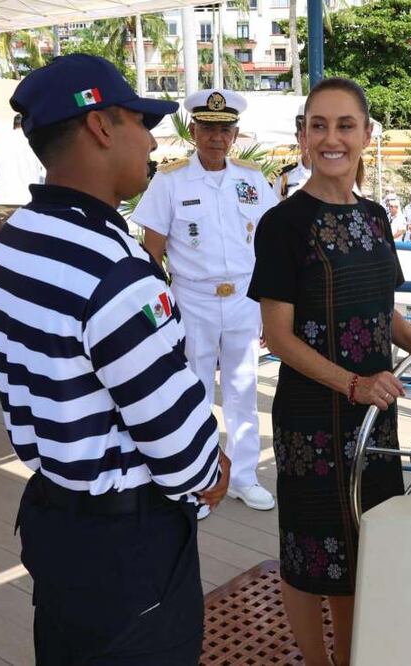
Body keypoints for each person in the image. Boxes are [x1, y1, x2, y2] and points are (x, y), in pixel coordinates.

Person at [0, 53, 229, 664]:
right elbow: (175, 442)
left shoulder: (16, 238)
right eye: (141, 122)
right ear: (100, 126)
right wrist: (212, 471)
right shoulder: (113, 268)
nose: (151, 141)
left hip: (56, 522)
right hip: (127, 548)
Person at [250, 78, 411, 666]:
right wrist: (354, 384)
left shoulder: (375, 217)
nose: (332, 138)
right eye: (318, 125)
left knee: (362, 549)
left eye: (345, 125)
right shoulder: (282, 224)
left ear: (367, 135)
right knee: (308, 554)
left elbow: (380, 308)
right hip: (311, 421)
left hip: (375, 419)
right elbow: (278, 336)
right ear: (302, 136)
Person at [133, 88, 278, 518]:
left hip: (244, 298)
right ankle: (197, 478)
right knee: (192, 389)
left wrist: (270, 308)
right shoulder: (170, 180)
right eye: (208, 129)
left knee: (243, 389)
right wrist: (160, 310)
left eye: (225, 130)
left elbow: (271, 244)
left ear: (235, 134)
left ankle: (244, 477)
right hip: (192, 298)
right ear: (193, 131)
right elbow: (152, 251)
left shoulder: (252, 180)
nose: (217, 138)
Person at [0, 113, 45, 220]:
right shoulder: (35, 141)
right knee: (25, 231)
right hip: (28, 199)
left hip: (1, 199)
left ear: (14, 124)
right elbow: (45, 170)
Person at [275, 114, 313, 199]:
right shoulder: (284, 177)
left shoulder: (335, 175)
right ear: (297, 137)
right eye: (303, 136)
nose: (308, 142)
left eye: (312, 136)